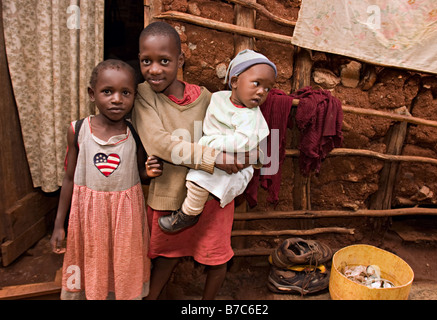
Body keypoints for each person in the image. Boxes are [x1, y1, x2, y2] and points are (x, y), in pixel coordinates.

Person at [132, 21, 255, 300]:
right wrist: (215, 158)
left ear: (180, 59)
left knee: (216, 257)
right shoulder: (144, 96)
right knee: (166, 258)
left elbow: (235, 129)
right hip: (170, 197)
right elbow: (159, 143)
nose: (154, 69)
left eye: (164, 61)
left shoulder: (207, 99)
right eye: (146, 61)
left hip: (210, 196)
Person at [50, 59, 163, 300]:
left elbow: (138, 173)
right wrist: (59, 224)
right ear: (92, 94)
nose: (116, 99)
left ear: (134, 96)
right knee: (91, 260)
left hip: (126, 220)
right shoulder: (78, 130)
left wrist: (149, 173)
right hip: (88, 218)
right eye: (107, 92)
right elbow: (69, 178)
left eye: (125, 93)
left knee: (123, 263)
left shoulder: (134, 133)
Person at [159, 49, 277, 233]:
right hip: (216, 155)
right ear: (235, 81)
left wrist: (210, 145)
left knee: (200, 179)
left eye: (267, 88)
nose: (262, 92)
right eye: (257, 83)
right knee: (196, 178)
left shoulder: (251, 117)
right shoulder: (218, 98)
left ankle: (188, 214)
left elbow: (244, 144)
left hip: (236, 165)